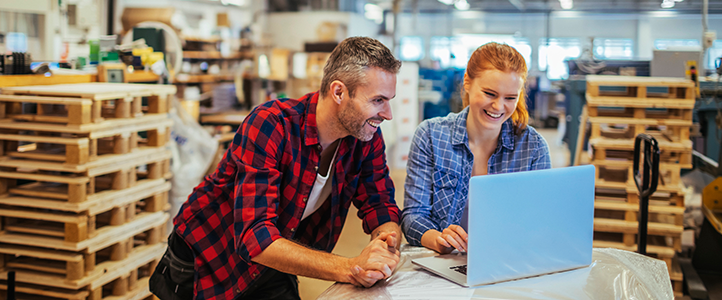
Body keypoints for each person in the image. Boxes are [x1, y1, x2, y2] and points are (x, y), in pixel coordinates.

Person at [155, 36, 403, 300]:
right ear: (339, 92)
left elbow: (379, 203)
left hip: (274, 260)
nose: (388, 114)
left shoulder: (365, 136)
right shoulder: (270, 125)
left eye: (389, 101)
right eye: (378, 100)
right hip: (208, 260)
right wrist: (352, 268)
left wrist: (384, 243)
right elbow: (255, 237)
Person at [400, 42, 551, 254]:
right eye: (490, 93)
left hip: (507, 259)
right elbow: (413, 216)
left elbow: (540, 221)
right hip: (444, 262)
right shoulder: (430, 136)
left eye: (510, 98)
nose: (499, 107)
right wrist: (438, 240)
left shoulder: (533, 147)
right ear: (467, 83)